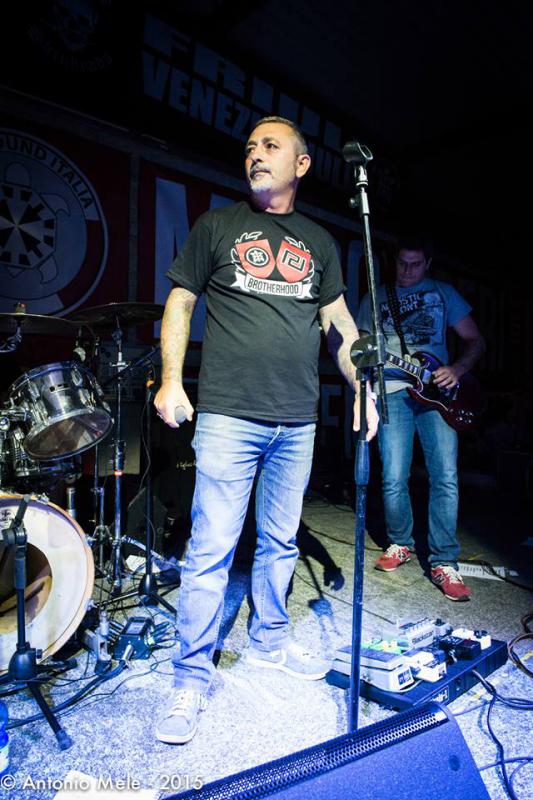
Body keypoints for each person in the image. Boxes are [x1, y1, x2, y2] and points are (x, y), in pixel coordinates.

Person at [154, 116, 379, 744]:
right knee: (211, 548)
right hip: (228, 414)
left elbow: (341, 327)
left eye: (271, 146)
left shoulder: (320, 241)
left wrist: (362, 387)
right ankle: (190, 676)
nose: (256, 154)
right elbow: (180, 301)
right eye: (251, 146)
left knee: (280, 543)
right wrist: (171, 380)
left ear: (300, 165)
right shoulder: (217, 226)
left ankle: (268, 642)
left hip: (296, 421)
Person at [357, 235, 485, 602]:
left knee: (444, 476)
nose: (407, 271)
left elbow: (476, 341)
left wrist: (457, 369)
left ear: (428, 263)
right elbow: (362, 348)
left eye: (415, 264)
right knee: (393, 475)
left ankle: (444, 561)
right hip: (392, 391)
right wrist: (365, 389)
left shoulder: (444, 293)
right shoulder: (376, 297)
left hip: (437, 396)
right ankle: (400, 542)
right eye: (402, 263)